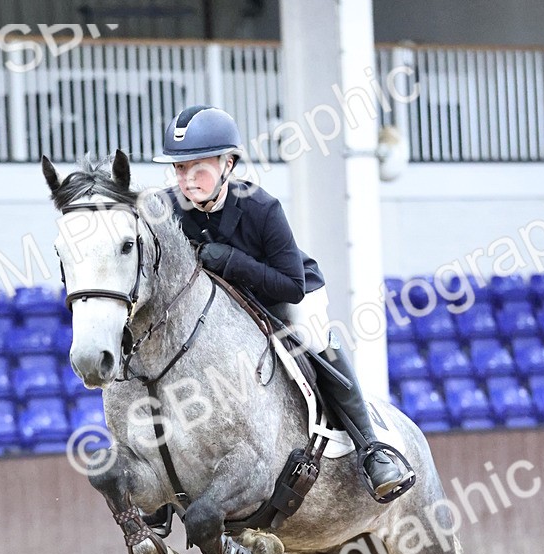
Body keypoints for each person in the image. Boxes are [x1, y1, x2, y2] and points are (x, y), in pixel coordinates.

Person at [153, 104, 414, 503]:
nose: (187, 180)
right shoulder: (168, 208)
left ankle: (372, 449)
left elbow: (290, 285)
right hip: (222, 309)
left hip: (286, 293)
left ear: (229, 163)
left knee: (311, 336)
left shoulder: (260, 207)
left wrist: (231, 261)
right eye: (179, 169)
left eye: (198, 167)